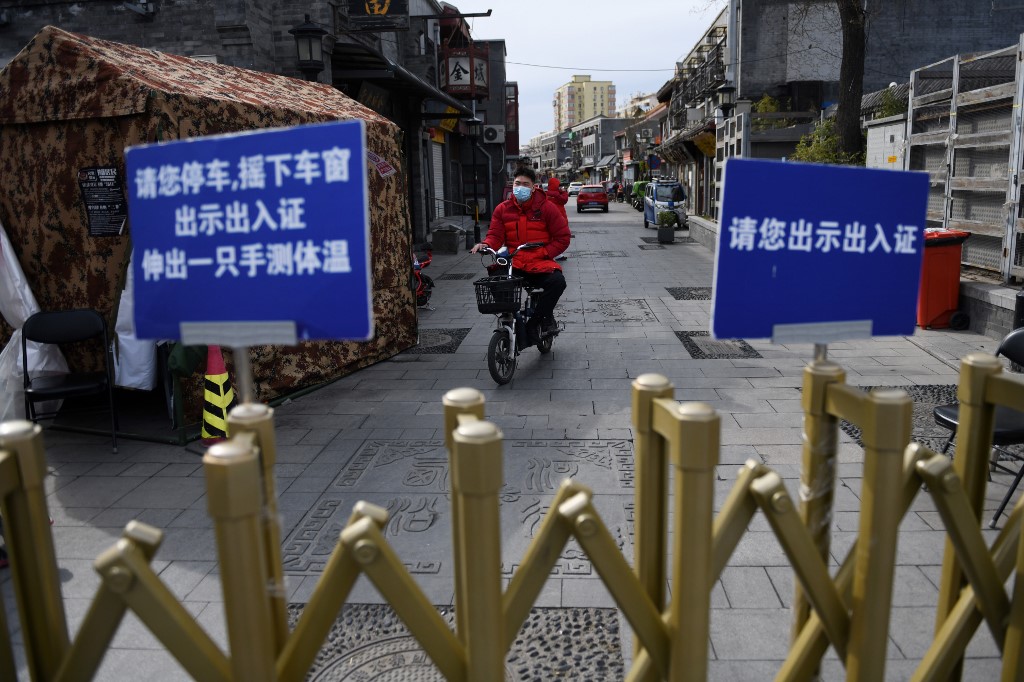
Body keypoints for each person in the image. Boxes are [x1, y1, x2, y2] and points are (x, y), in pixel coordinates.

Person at [471, 167, 570, 344]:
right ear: (512, 185)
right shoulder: (503, 209)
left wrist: (545, 252)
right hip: (513, 263)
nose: (520, 187)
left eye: (526, 184)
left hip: (540, 263)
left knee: (557, 282)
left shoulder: (547, 208)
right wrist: (486, 245)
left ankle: (536, 322)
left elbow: (563, 238)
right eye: (517, 184)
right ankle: (510, 316)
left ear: (533, 187)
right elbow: (495, 235)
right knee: (495, 279)